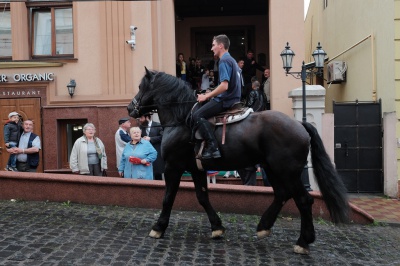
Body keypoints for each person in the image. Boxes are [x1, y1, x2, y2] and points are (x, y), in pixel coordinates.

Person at [194, 34, 241, 159]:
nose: (212, 48)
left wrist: (206, 96)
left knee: (197, 115)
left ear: (221, 46)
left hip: (225, 100)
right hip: (234, 99)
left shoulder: (224, 61)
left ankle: (212, 147)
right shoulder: (232, 60)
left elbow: (224, 86)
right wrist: (209, 93)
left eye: (213, 45)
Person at [138, 113, 164, 180]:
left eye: (141, 118)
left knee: (157, 172)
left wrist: (150, 139)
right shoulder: (141, 127)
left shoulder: (157, 125)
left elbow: (163, 137)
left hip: (157, 151)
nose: (140, 120)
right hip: (145, 154)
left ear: (147, 117)